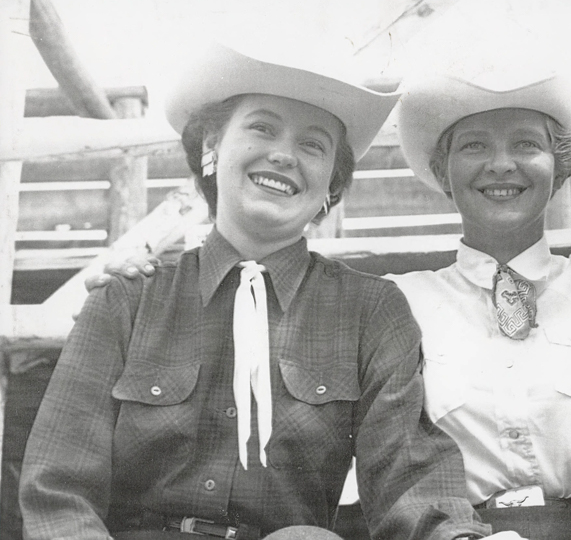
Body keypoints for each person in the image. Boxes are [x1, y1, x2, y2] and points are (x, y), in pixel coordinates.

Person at [89, 51, 571, 540]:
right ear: (444, 171)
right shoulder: (387, 303)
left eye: (526, 145)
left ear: (560, 167)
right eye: (475, 145)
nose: (501, 165)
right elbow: (246, 319)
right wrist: (135, 274)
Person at [19, 38, 498, 540]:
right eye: (262, 128)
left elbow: (410, 472)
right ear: (212, 148)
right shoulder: (126, 300)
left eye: (312, 145)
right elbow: (59, 490)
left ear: (331, 187)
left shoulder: (371, 311)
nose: (283, 155)